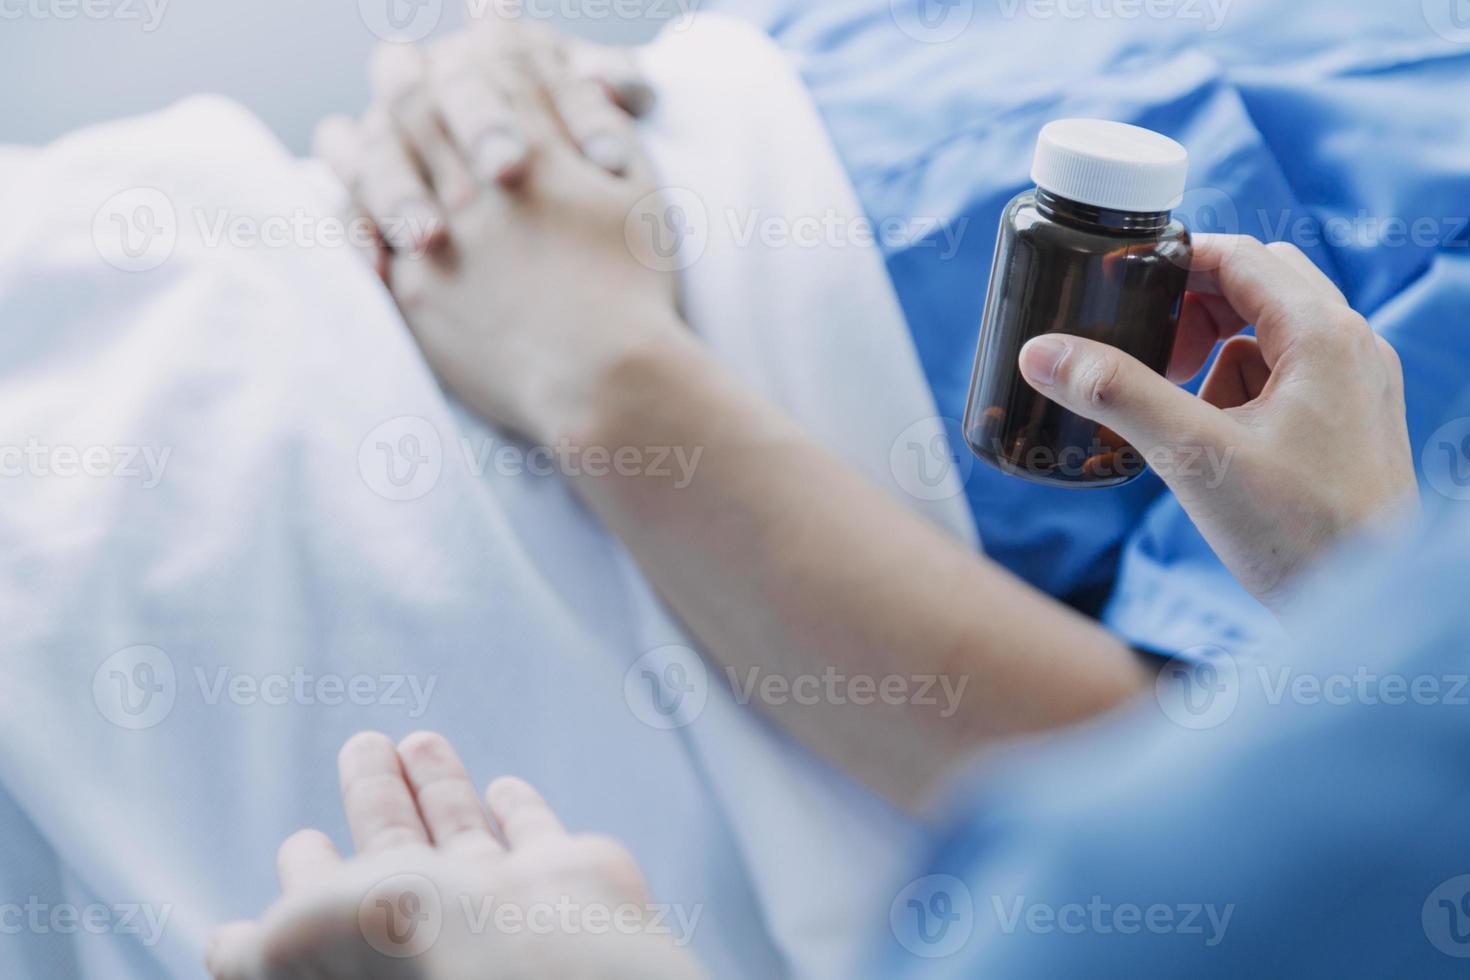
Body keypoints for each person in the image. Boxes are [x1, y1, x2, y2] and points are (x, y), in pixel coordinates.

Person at [203, 11, 1428, 977]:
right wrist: (519, 85)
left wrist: (603, 374)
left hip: (605, 489)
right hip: (442, 226)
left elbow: (1196, 805)